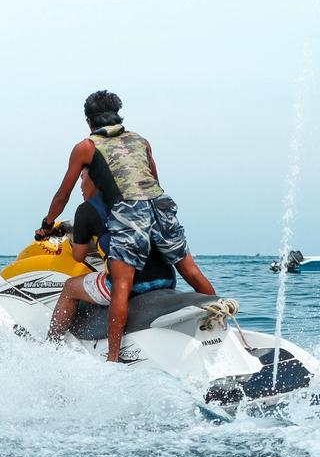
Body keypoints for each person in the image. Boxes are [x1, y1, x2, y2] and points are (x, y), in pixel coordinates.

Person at [36, 90, 211, 361]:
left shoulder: (86, 147)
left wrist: (47, 224)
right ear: (118, 114)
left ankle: (113, 360)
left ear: (89, 121)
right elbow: (153, 178)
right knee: (191, 271)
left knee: (121, 284)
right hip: (160, 204)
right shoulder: (141, 140)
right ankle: (224, 323)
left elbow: (62, 195)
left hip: (129, 210)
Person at [46, 170, 216, 343]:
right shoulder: (146, 203)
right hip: (166, 279)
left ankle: (53, 344)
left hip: (133, 286)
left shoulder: (88, 209)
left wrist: (80, 236)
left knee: (70, 287)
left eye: (82, 179)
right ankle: (217, 318)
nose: (80, 186)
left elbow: (79, 256)